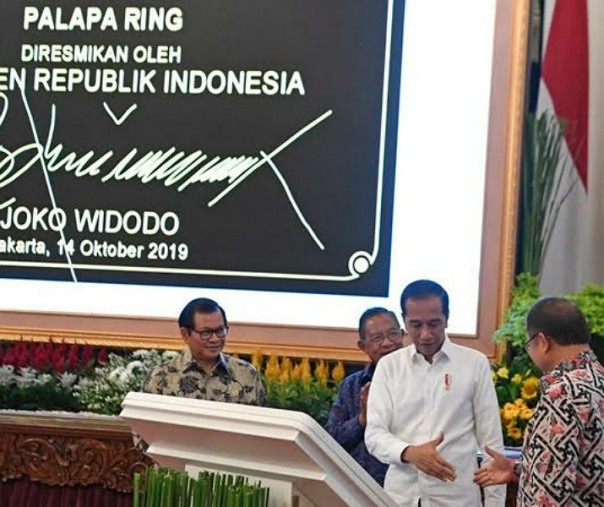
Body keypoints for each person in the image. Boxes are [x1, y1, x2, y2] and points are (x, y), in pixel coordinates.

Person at [365, 279, 505, 506]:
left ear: (447, 318)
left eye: (434, 323)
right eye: (416, 325)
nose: (426, 334)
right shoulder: (389, 366)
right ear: (404, 321)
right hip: (401, 498)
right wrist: (410, 452)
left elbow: (492, 446)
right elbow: (374, 436)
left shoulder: (473, 364)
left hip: (457, 498)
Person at [474, 297, 604, 506]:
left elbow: (549, 494)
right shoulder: (598, 378)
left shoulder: (562, 393)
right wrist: (517, 469)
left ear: (542, 342)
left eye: (528, 345)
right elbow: (581, 468)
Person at [325, 307, 404, 486]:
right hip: (359, 487)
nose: (387, 343)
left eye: (393, 334)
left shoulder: (421, 380)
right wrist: (361, 420)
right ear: (363, 346)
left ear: (402, 334)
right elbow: (330, 441)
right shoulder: (352, 385)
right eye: (377, 338)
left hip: (405, 489)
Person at [144, 297, 266, 406]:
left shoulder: (246, 374)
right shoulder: (160, 378)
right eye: (206, 333)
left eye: (220, 330)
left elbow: (261, 426)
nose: (215, 339)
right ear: (185, 334)